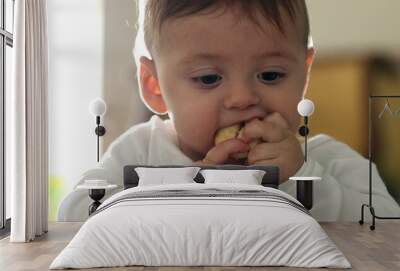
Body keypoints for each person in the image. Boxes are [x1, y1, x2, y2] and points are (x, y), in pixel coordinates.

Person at [57, 0, 400, 222]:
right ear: (154, 86)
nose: (242, 98)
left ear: (304, 75)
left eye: (270, 75)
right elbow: (72, 215)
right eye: (208, 78)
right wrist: (185, 183)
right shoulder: (139, 152)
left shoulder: (325, 159)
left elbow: (385, 226)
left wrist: (302, 179)